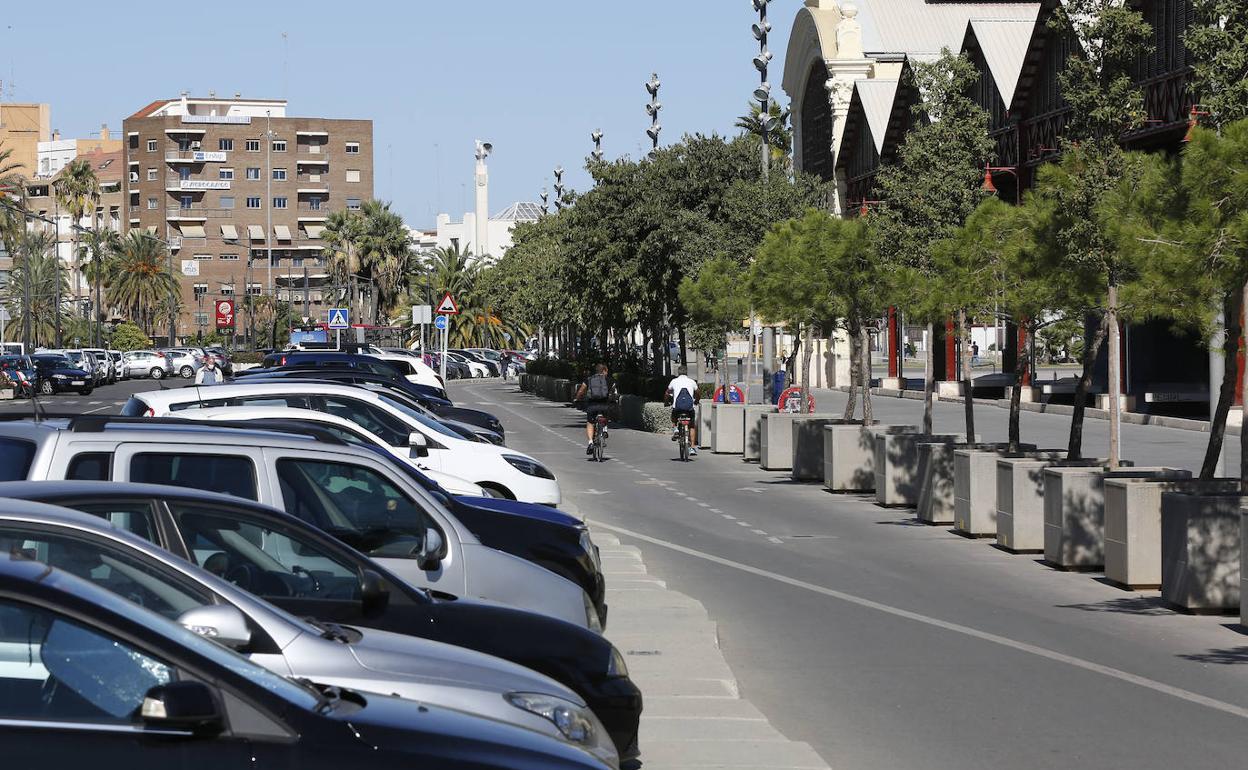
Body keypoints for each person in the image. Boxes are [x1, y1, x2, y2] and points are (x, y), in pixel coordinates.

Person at [576, 363, 615, 455]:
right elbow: (614, 393)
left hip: (592, 404)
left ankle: (590, 443)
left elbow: (581, 390)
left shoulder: (589, 379)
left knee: (590, 422)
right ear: (604, 371)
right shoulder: (609, 380)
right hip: (604, 404)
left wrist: (577, 399)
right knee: (606, 415)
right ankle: (605, 430)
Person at [665, 366, 699, 456]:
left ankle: (675, 429)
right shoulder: (692, 381)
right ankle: (692, 447)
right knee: (691, 426)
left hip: (678, 408)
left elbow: (667, 392)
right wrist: (696, 401)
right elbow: (698, 393)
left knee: (674, 416)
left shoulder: (674, 381)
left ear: (678, 373)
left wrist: (666, 402)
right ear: (687, 373)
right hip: (689, 408)